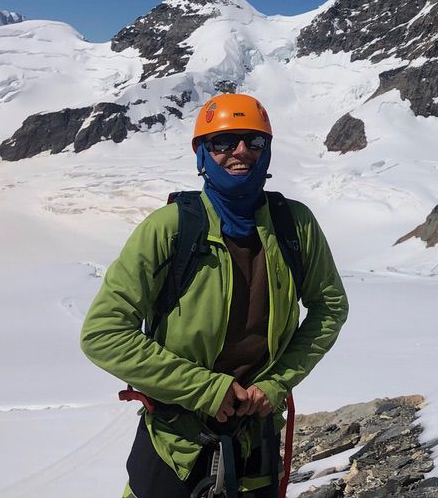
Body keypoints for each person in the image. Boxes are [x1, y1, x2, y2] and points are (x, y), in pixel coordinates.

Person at [82, 93, 349, 497]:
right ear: (202, 155)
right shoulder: (169, 229)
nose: (240, 151)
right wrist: (205, 388)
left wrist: (276, 383)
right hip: (174, 446)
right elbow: (103, 334)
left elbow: (330, 307)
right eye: (223, 142)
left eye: (253, 141)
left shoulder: (294, 226)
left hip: (255, 445)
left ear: (267, 152)